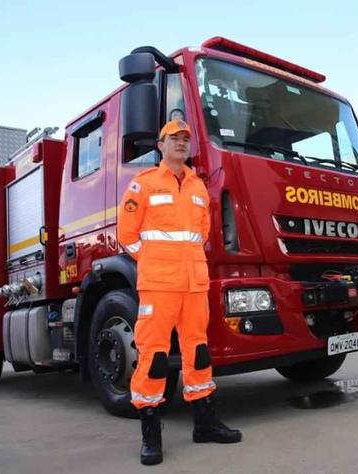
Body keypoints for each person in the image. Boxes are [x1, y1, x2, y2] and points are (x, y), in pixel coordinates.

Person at [118, 119, 242, 466]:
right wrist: (157, 263)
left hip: (194, 284)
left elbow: (201, 235)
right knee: (154, 356)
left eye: (186, 139)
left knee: (198, 352)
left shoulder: (198, 186)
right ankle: (150, 433)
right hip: (159, 284)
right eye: (174, 138)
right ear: (160, 145)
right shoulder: (143, 185)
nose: (181, 143)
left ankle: (204, 423)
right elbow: (127, 236)